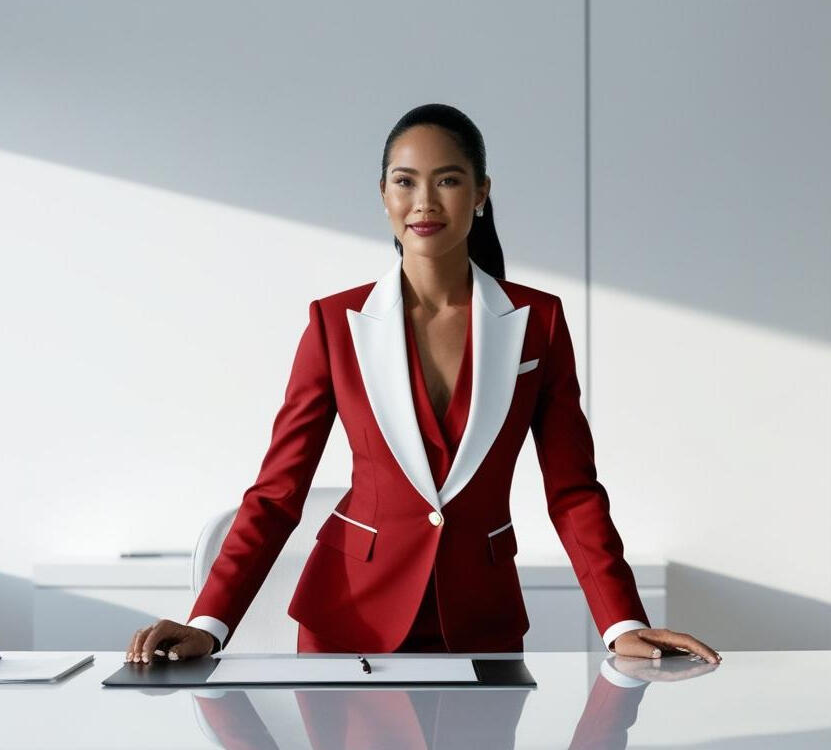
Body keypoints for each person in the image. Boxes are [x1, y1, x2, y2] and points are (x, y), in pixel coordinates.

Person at [125, 103, 721, 667]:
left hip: (480, 621)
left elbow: (573, 491)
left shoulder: (538, 322)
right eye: (405, 181)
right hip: (348, 621)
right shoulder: (336, 324)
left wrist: (621, 622)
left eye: (449, 180)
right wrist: (209, 621)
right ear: (382, 194)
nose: (423, 201)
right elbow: (279, 492)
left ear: (482, 192)